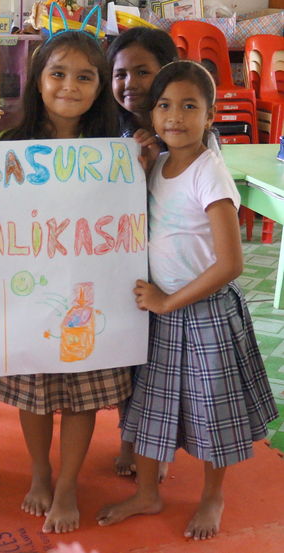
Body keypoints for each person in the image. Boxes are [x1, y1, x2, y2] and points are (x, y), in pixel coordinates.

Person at [96, 61, 278, 540]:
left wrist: (169, 301)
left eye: (189, 106)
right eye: (164, 106)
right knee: (149, 406)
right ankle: (148, 492)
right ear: (152, 114)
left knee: (213, 410)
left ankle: (212, 495)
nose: (175, 116)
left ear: (211, 115)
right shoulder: (158, 163)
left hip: (203, 313)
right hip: (160, 311)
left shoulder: (209, 172)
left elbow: (231, 264)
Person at [0, 30, 132, 535]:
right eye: (58, 73)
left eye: (85, 76)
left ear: (100, 85)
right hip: (29, 295)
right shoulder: (10, 147)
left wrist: (141, 167)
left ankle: (67, 484)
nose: (70, 86)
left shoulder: (118, 151)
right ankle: (41, 471)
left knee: (83, 394)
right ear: (38, 81)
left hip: (91, 295)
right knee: (34, 390)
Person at [106, 27, 178, 478]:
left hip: (168, 273)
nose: (130, 82)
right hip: (118, 268)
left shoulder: (185, 133)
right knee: (125, 357)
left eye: (143, 71)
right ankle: (129, 437)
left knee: (162, 365)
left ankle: (156, 447)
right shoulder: (106, 133)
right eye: (119, 73)